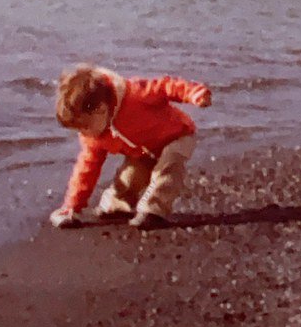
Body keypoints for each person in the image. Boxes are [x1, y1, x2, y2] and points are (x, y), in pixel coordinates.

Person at [50, 64, 212, 230]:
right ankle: (117, 204)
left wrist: (194, 93)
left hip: (178, 136)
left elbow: (166, 87)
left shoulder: (135, 95)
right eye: (78, 129)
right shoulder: (94, 136)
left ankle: (153, 210)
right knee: (130, 177)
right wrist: (72, 206)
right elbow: (86, 169)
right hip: (143, 151)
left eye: (85, 126)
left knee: (167, 168)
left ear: (101, 110)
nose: (83, 133)